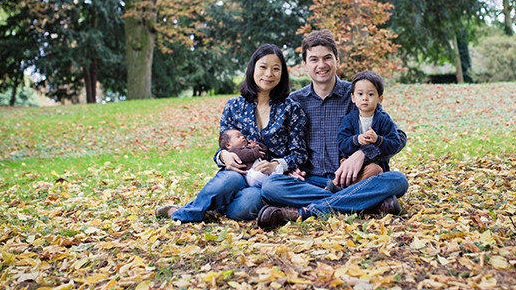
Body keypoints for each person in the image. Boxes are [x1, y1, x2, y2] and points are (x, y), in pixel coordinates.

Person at [258, 29, 409, 229]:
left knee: (398, 180)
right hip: (310, 181)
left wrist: (363, 154)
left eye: (327, 58)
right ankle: (365, 202)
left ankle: (305, 212)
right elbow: (281, 145)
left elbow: (398, 136)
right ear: (304, 65)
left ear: (337, 60)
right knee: (270, 187)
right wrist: (288, 167)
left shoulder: (357, 93)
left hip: (354, 178)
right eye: (313, 59)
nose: (321, 65)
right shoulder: (294, 101)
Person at [155, 44, 307, 222]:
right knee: (229, 181)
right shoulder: (234, 106)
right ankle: (182, 213)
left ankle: (212, 209)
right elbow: (222, 146)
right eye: (263, 67)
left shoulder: (291, 108)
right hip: (237, 172)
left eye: (276, 69)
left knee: (249, 203)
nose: (269, 74)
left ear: (282, 74)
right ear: (252, 69)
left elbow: (299, 153)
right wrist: (223, 156)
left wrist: (276, 164)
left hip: (266, 181)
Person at [328, 70, 402, 192]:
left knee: (376, 170)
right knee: (344, 166)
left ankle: (343, 191)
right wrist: (356, 140)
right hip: (350, 164)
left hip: (373, 166)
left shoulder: (384, 120)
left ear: (380, 99)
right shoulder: (349, 119)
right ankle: (350, 190)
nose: (365, 98)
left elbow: (395, 144)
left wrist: (378, 140)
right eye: (360, 94)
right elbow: (342, 143)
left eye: (371, 94)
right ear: (353, 97)